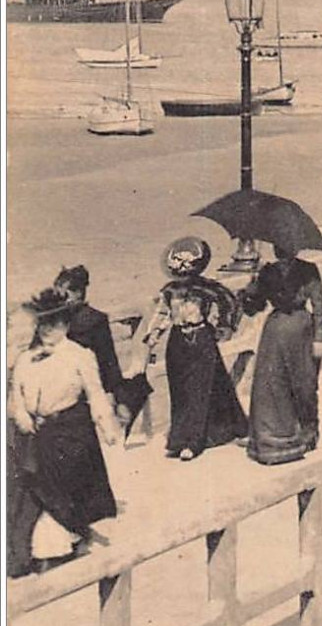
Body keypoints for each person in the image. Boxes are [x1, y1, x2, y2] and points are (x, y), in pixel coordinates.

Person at [8, 288, 120, 575]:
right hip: (37, 433)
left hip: (70, 430)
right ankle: (38, 551)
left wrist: (107, 426)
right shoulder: (26, 358)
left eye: (55, 324)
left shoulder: (80, 355)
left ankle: (66, 544)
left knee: (63, 489)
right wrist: (21, 416)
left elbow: (95, 393)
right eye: (43, 324)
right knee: (34, 491)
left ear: (65, 325)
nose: (47, 330)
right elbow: (15, 396)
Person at [146, 237, 247, 461]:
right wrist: (154, 334)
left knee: (200, 390)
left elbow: (230, 302)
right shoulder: (169, 291)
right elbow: (161, 314)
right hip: (177, 341)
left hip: (202, 337)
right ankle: (181, 438)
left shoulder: (205, 288)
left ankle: (193, 442)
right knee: (181, 391)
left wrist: (225, 327)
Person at [240, 245, 322, 465]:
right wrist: (251, 289)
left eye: (285, 247)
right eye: (278, 247)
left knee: (304, 383)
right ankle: (272, 439)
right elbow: (254, 308)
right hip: (275, 330)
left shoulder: (308, 270)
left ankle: (309, 432)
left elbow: (319, 307)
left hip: (301, 329)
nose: (281, 251)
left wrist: (319, 338)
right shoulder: (267, 271)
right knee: (271, 383)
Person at [54, 264, 151, 429]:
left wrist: (112, 393)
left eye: (65, 293)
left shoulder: (95, 319)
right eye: (58, 293)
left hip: (84, 384)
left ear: (78, 292)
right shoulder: (57, 318)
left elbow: (107, 359)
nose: (61, 298)